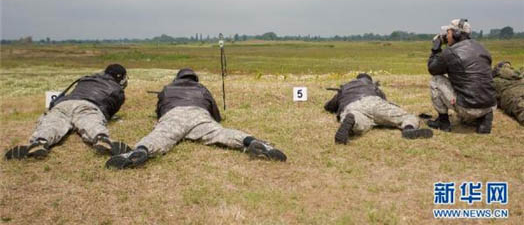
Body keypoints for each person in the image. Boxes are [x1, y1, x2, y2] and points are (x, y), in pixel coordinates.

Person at [105, 68, 286, 169]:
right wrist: (213, 120)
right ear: (195, 78)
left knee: (160, 136)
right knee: (220, 133)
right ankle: (250, 141)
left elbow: (160, 111)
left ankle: (141, 151)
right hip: (199, 114)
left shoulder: (168, 88)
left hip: (174, 114)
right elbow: (215, 112)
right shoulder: (202, 88)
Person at [5, 64, 131, 160]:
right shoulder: (117, 90)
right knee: (91, 124)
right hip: (88, 106)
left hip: (64, 104)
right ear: (120, 78)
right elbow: (108, 111)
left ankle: (40, 141)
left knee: (52, 124)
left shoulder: (86, 78)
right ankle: (101, 138)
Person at [427, 19, 497, 133]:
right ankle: (485, 119)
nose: (446, 36)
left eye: (448, 33)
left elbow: (432, 69)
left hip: (468, 107)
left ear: (456, 34)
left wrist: (436, 48)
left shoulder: (450, 52)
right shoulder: (482, 48)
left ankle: (443, 121)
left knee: (436, 80)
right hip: (489, 105)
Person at [324, 73, 433, 144]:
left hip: (352, 106)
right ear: (369, 80)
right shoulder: (372, 86)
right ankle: (409, 128)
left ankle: (352, 120)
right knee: (406, 117)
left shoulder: (345, 87)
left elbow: (329, 106)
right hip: (373, 102)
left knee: (360, 123)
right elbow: (383, 99)